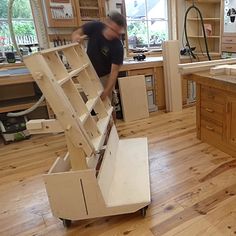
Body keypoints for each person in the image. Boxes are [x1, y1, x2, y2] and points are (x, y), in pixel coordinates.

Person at [72, 11, 125, 101]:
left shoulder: (118, 47)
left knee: (107, 107)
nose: (116, 35)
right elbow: (76, 33)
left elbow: (114, 73)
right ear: (108, 24)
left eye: (118, 33)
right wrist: (76, 38)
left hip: (104, 77)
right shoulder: (95, 26)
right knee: (88, 104)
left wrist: (107, 91)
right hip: (88, 73)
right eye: (113, 30)